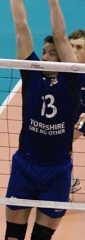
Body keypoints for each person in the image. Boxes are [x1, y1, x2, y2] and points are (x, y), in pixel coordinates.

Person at [5, 0, 81, 239]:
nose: (46, 57)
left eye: (53, 53)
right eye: (44, 52)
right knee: (13, 236)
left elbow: (60, 34)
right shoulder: (31, 74)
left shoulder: (72, 80)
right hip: (25, 166)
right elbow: (21, 27)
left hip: (57, 171)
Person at [68, 29, 85, 193]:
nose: (74, 51)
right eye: (71, 47)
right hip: (80, 113)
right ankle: (70, 182)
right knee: (61, 143)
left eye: (79, 47)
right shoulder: (66, 69)